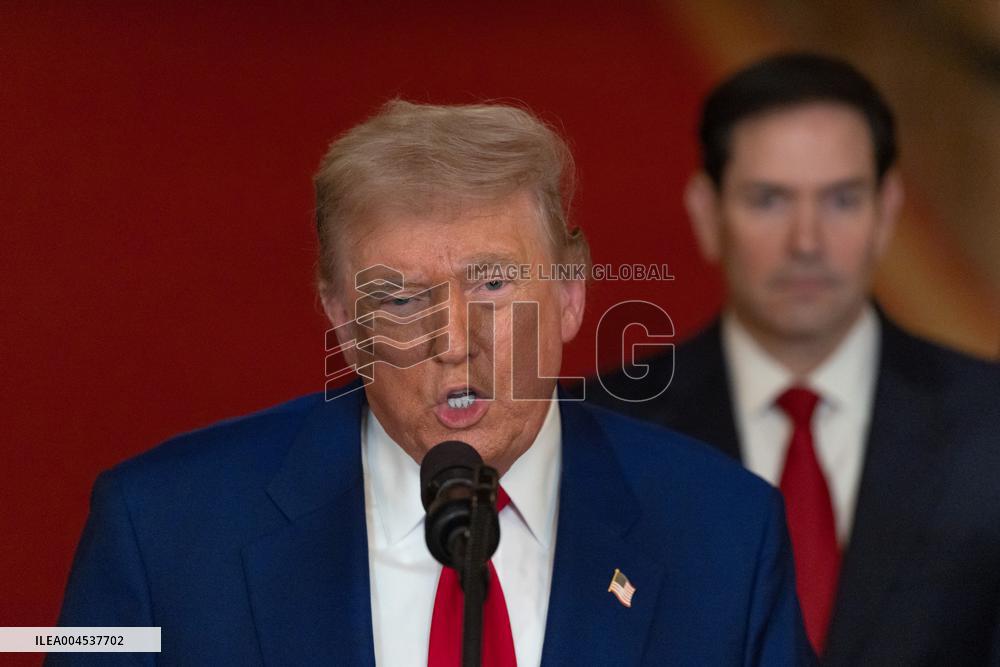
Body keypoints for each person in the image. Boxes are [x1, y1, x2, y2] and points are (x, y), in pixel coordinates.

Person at [52, 100, 815, 665]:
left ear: (571, 293)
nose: (455, 342)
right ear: (347, 325)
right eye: (402, 297)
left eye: (491, 283)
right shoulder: (158, 532)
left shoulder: (725, 534)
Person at [586, 53, 1000, 665]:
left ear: (886, 213)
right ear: (708, 214)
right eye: (769, 200)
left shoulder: (987, 423)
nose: (807, 242)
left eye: (840, 200)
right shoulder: (610, 430)